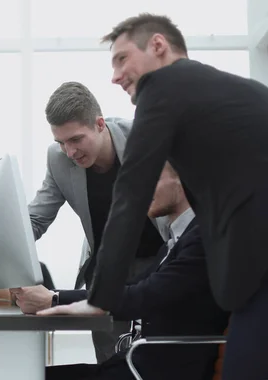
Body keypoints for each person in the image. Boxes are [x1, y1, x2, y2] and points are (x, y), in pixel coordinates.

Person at [57, 14, 268, 379]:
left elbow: (131, 193)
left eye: (122, 58)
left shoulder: (166, 85)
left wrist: (100, 300)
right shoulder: (213, 96)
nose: (115, 75)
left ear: (158, 45)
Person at [40, 163, 230, 380]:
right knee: (31, 374)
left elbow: (145, 295)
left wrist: (65, 302)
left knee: (31, 375)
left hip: (159, 372)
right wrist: (54, 297)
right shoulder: (178, 240)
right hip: (138, 363)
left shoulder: (203, 239)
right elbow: (131, 287)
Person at [26, 81, 168, 362]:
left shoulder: (144, 139)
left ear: (100, 124)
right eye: (61, 142)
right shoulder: (58, 159)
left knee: (156, 357)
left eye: (76, 139)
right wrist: (6, 245)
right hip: (108, 269)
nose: (70, 152)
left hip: (157, 260)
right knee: (111, 360)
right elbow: (36, 219)